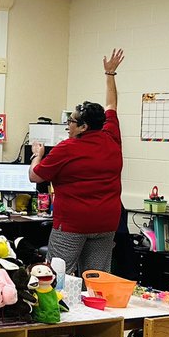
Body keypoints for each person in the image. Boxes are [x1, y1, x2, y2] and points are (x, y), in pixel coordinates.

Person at [29, 48, 125, 275]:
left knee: (56, 276)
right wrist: (109, 74)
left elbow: (36, 176)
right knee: (96, 277)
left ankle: (56, 311)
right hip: (106, 223)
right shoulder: (112, 137)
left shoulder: (66, 148)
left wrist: (37, 156)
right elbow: (112, 106)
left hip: (72, 224)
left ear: (83, 127)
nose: (68, 124)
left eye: (71, 121)